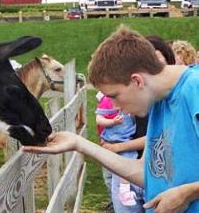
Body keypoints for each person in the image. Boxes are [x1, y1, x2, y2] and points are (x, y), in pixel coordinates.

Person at [24, 25, 199, 213]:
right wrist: (79, 144)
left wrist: (187, 192)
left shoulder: (194, 90)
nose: (115, 107)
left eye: (114, 96)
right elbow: (148, 173)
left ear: (137, 81)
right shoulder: (159, 101)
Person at [101, 35, 176, 159]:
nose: (150, 67)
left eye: (156, 59)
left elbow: (157, 137)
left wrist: (118, 147)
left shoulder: (186, 95)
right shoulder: (149, 100)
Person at [96, 93, 144, 212]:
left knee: (124, 170)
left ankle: (124, 192)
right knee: (109, 177)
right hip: (113, 143)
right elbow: (100, 119)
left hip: (131, 151)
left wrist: (117, 147)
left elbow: (151, 137)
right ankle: (116, 198)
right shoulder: (108, 100)